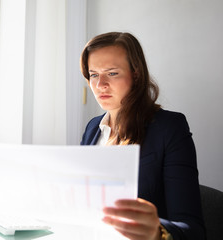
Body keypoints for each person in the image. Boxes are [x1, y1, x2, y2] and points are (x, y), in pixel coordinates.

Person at [80, 32, 205, 240]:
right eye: (93, 74)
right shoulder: (93, 128)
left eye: (112, 73)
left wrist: (157, 231)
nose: (100, 84)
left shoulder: (169, 128)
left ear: (135, 74)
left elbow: (193, 231)